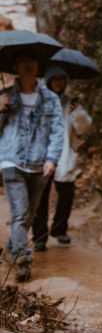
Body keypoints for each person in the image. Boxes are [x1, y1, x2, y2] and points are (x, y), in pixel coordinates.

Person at [0, 50, 64, 283]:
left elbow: (58, 131)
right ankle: (22, 261)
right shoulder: (5, 96)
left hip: (39, 163)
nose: (28, 65)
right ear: (15, 66)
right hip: (12, 161)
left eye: (32, 60)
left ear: (38, 66)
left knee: (29, 213)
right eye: (23, 60)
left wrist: (52, 158)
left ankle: (10, 246)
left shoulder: (50, 98)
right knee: (20, 214)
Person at [32, 65, 92, 250]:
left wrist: (78, 114)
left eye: (61, 79)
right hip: (42, 155)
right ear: (48, 81)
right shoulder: (39, 101)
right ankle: (39, 236)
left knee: (66, 194)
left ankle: (59, 229)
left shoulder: (71, 103)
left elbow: (84, 130)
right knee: (40, 198)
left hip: (64, 155)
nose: (58, 82)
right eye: (54, 79)